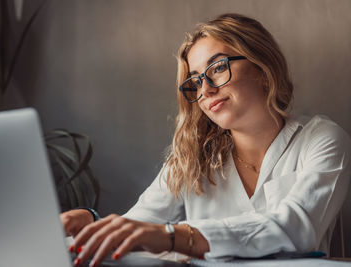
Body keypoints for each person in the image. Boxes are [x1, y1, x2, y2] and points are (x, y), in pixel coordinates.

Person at [60, 13, 351, 267]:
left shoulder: (322, 139)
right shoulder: (191, 156)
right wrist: (92, 222)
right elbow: (139, 226)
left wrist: (175, 236)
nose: (206, 90)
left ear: (263, 69)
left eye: (218, 68)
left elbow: (294, 228)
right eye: (196, 81)